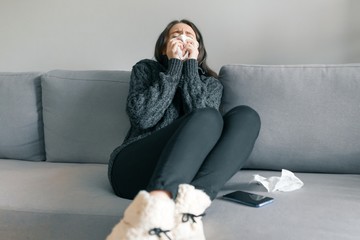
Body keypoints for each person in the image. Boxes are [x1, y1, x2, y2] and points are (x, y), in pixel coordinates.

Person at [106, 19, 261, 240]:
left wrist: (189, 68)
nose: (183, 38)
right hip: (132, 169)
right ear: (164, 46)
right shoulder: (146, 69)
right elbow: (143, 118)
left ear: (199, 49)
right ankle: (157, 206)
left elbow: (203, 120)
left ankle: (190, 207)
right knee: (208, 116)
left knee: (246, 116)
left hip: (187, 176)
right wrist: (174, 68)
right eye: (176, 34)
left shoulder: (211, 84)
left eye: (190, 36)